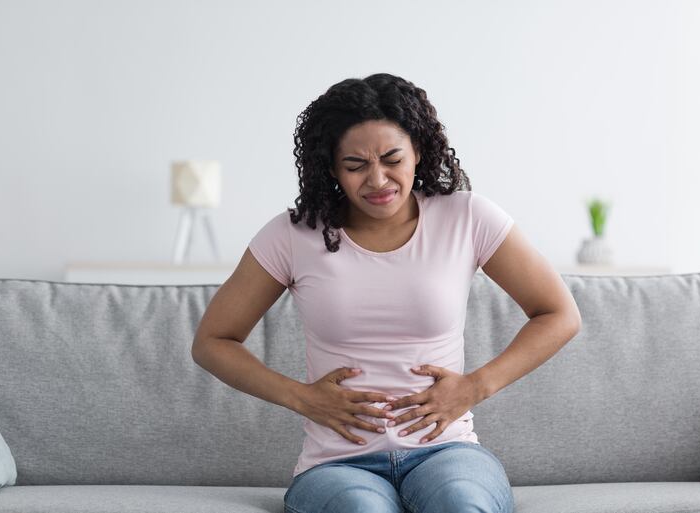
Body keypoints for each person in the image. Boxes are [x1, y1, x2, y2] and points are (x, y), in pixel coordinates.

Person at [191, 73, 582, 513]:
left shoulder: (468, 217)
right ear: (332, 169)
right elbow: (213, 341)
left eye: (392, 158)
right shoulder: (292, 235)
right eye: (355, 165)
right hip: (338, 464)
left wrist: (474, 387)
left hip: (447, 453)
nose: (377, 180)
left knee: (461, 503)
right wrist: (301, 397)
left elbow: (559, 313)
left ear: (418, 149)